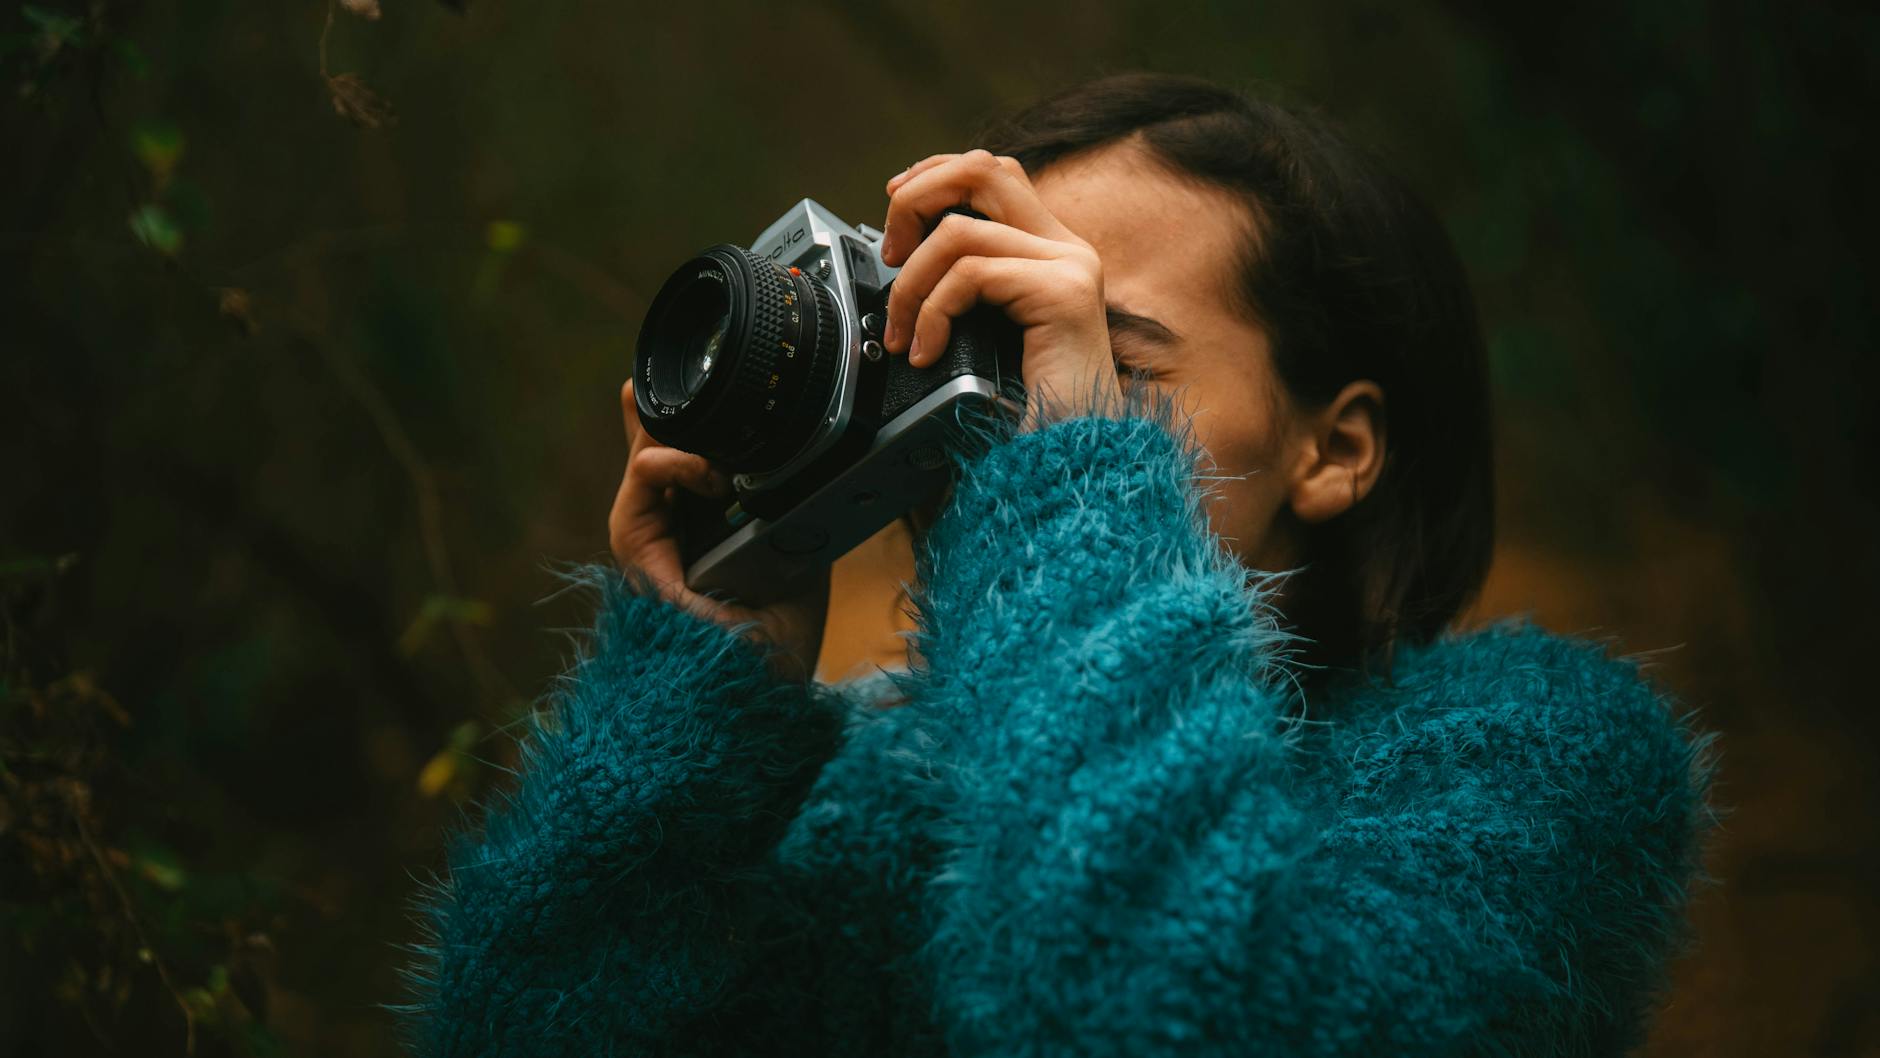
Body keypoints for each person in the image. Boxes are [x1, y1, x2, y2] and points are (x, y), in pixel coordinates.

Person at [393, 72, 1719, 1057]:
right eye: (995, 338)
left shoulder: (1541, 757)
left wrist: (1081, 474)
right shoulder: (883, 788)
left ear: (1339, 446)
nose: (1020, 413)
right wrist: (688, 722)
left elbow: (1162, 1013)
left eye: (1108, 359)